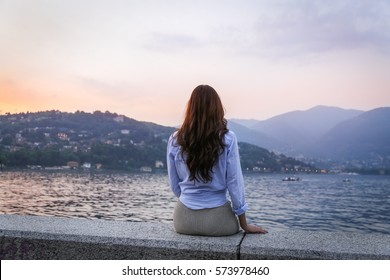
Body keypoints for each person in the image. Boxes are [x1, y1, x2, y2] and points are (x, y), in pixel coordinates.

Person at [167, 85, 268, 236]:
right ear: (217, 107)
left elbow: (175, 185)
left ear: (191, 108)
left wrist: (191, 198)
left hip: (183, 220)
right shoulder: (228, 138)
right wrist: (244, 224)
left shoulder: (175, 139)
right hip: (218, 221)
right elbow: (234, 183)